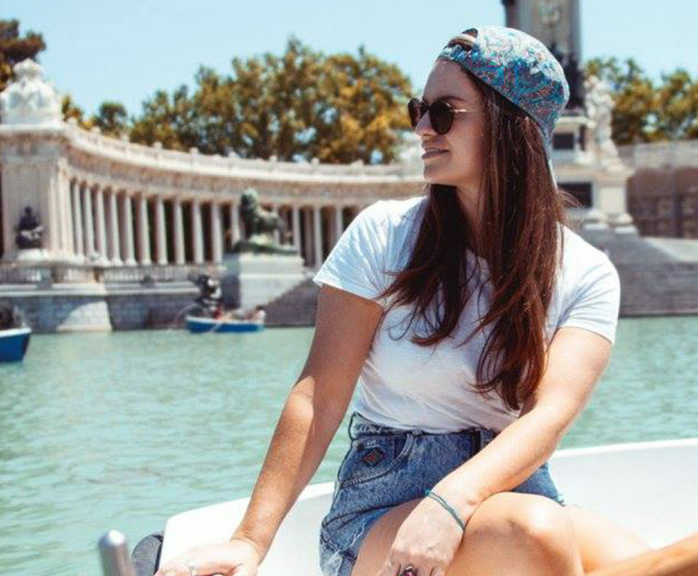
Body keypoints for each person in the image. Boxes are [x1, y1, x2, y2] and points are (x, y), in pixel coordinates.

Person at [155, 26, 650, 576]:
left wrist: (452, 502)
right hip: (385, 505)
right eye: (420, 108)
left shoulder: (586, 272)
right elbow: (317, 399)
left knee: (664, 565)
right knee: (532, 534)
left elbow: (550, 415)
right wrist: (248, 542)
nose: (421, 128)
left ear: (512, 127)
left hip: (511, 490)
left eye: (444, 111)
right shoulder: (382, 234)